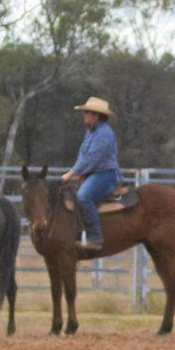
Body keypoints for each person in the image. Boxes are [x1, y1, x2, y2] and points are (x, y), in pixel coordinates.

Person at [64, 96, 120, 258]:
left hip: (106, 174)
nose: (84, 115)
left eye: (87, 112)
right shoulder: (91, 132)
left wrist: (71, 173)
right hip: (93, 173)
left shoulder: (103, 134)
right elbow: (83, 157)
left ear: (96, 115)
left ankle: (95, 237)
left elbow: (92, 158)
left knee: (83, 196)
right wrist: (78, 173)